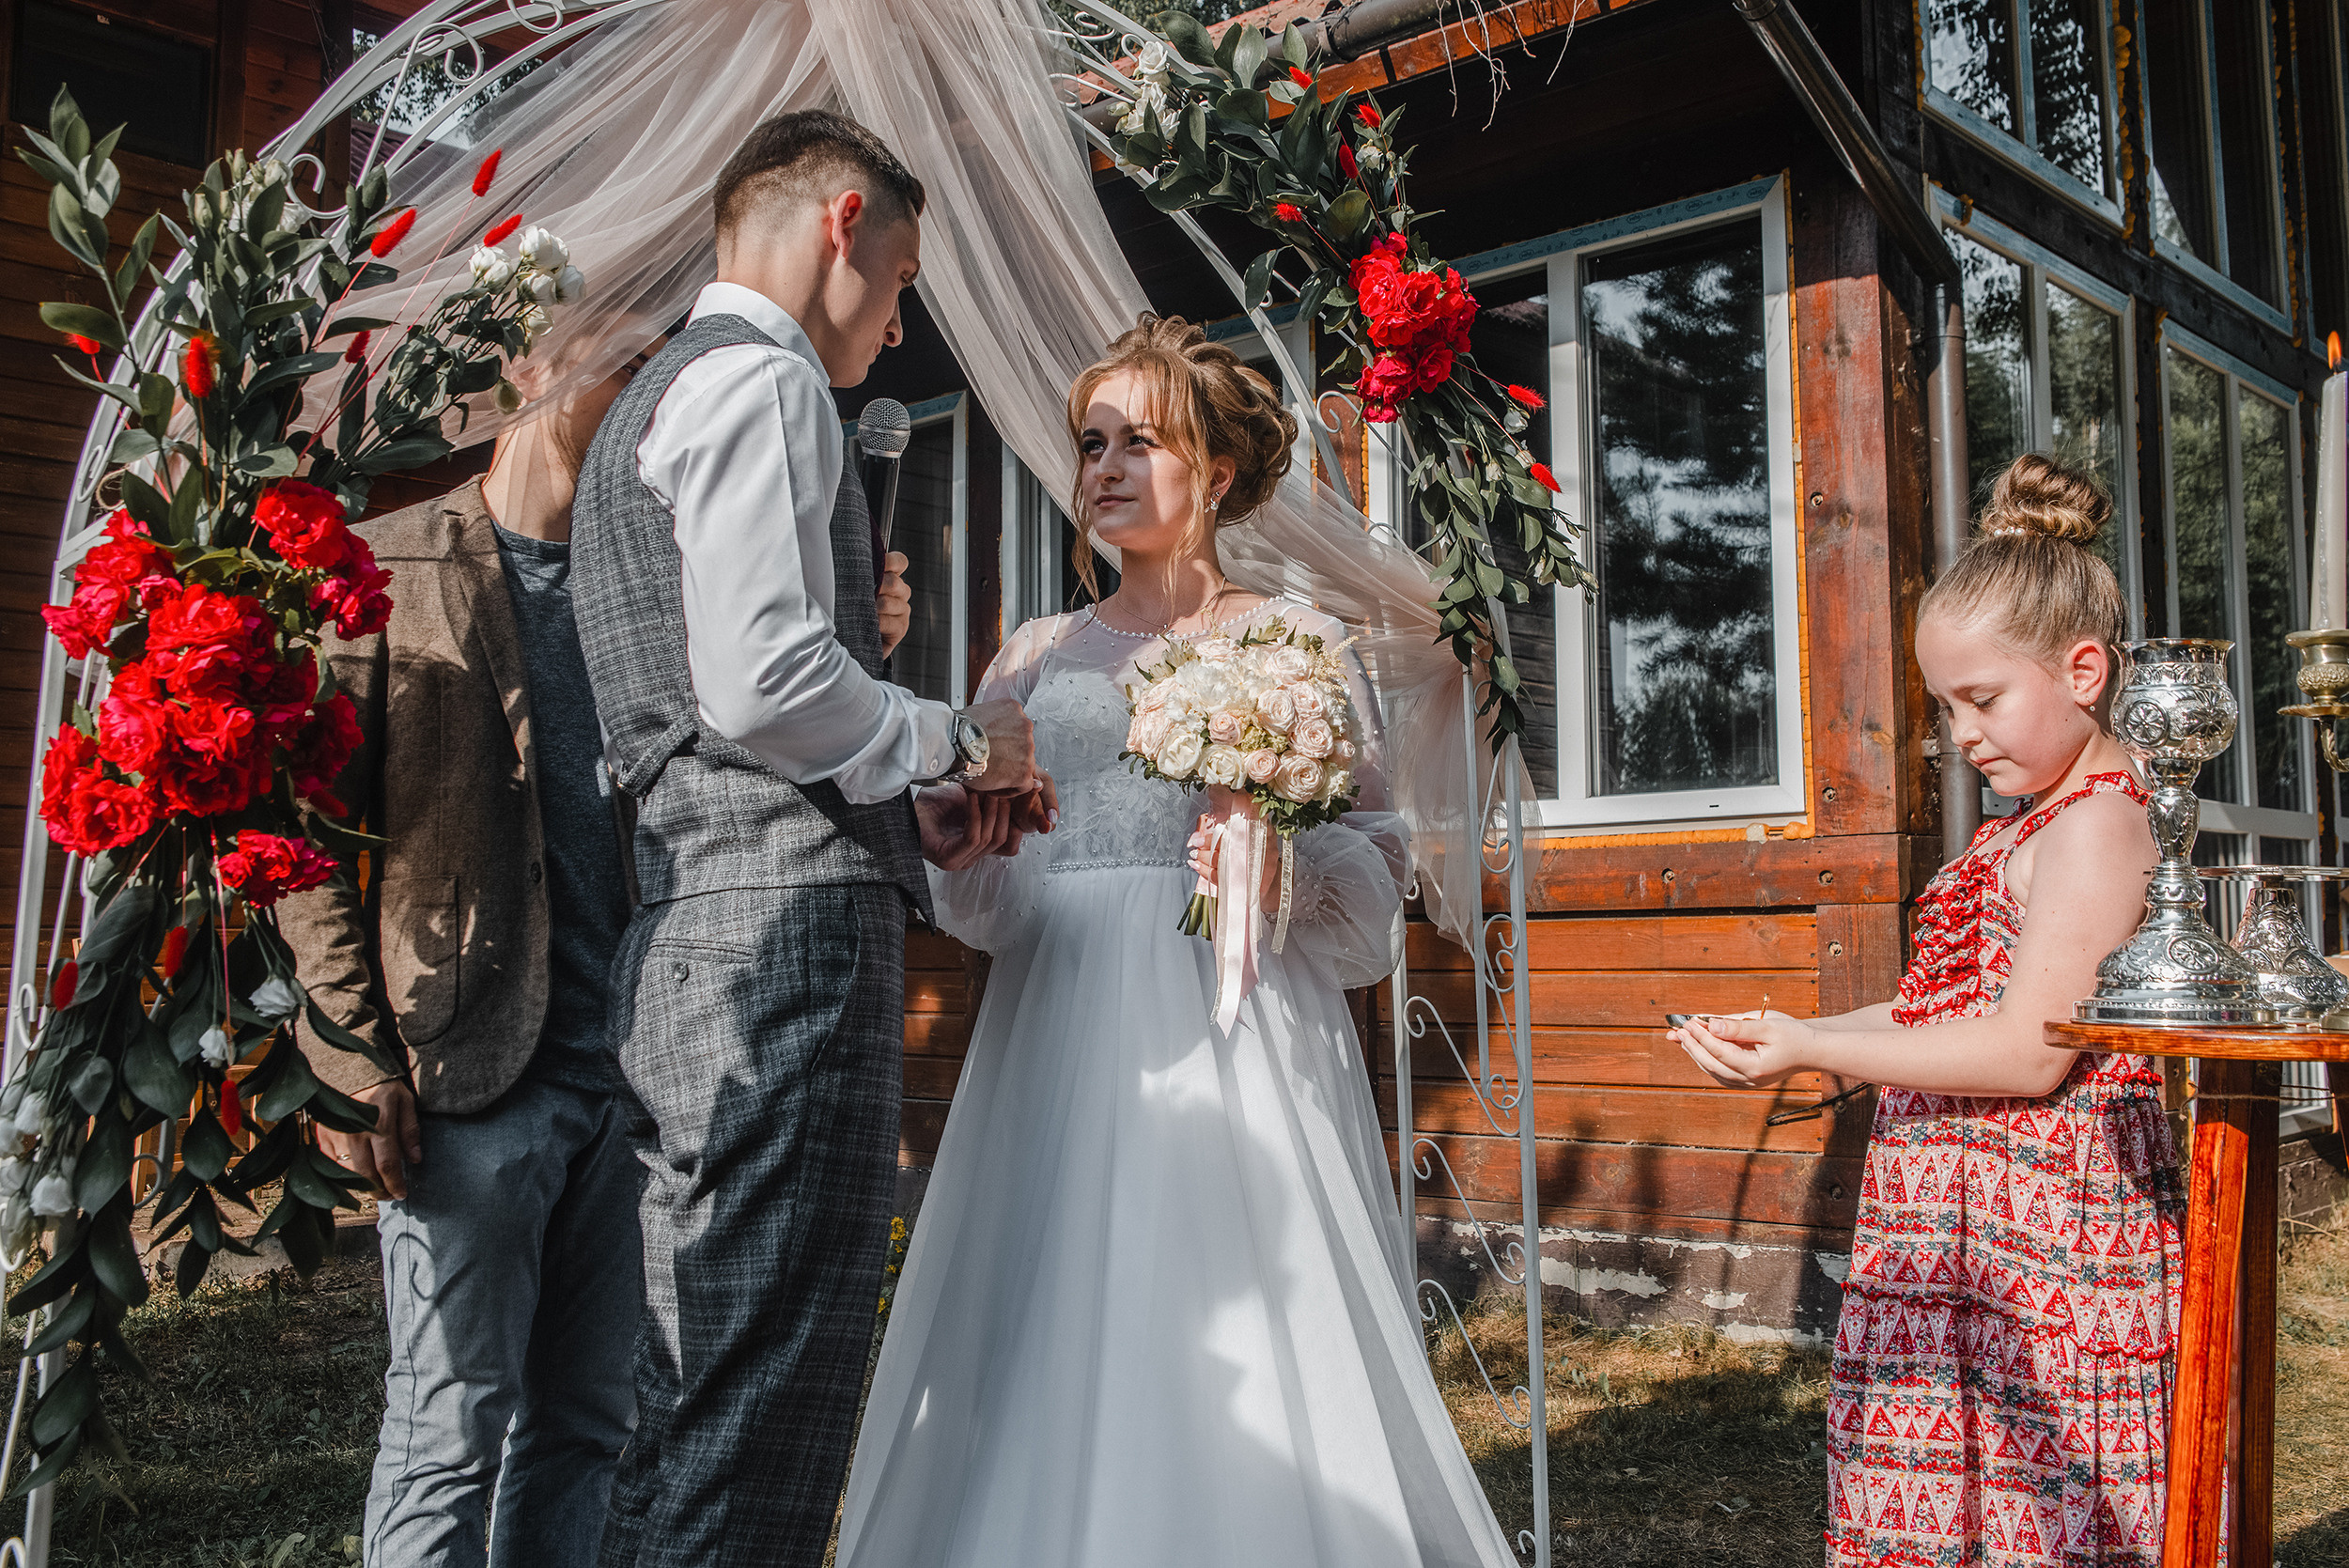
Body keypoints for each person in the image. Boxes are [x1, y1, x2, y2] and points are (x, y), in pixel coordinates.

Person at [833, 315, 1522, 1568]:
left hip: (1235, 1014)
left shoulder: (1296, 646)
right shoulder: (1035, 657)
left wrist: (1274, 851)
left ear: (1213, 470)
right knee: (1050, 1299)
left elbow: (1372, 883)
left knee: (1252, 1302)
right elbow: (984, 897)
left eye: (1139, 441)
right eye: (1090, 442)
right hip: (1060, 1014)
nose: (1103, 467)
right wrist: (979, 833)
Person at [567, 110, 1046, 1568]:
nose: (897, 331)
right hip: (779, 946)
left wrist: (888, 745)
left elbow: (718, 693)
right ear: (844, 224)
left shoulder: (655, 394)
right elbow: (763, 682)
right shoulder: (766, 380)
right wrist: (953, 737)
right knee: (763, 1407)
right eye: (901, 282)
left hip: (690, 931)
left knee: (698, 1387)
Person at [1668, 454, 2183, 1567]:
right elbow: (1940, 1007)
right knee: (1956, 1493)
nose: (1960, 731)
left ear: (2083, 669)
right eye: (1946, 705)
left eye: (1982, 699)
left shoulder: (2095, 823)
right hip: (1961, 1219)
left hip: (2046, 1235)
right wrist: (1801, 1035)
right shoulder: (2025, 821)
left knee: (2039, 1504)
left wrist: (1816, 1048)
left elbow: (2028, 1050)